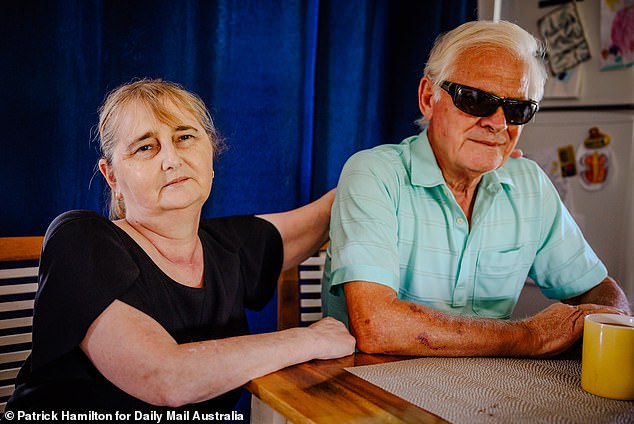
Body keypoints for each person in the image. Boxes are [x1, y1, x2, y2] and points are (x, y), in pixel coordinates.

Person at [7, 79, 355, 413]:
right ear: (112, 176)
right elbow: (165, 377)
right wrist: (310, 339)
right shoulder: (79, 239)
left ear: (211, 153)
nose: (171, 159)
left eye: (185, 137)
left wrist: (381, 170)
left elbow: (332, 208)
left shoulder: (229, 246)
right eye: (145, 146)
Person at [322, 20, 631, 358]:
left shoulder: (529, 185)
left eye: (517, 109)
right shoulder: (374, 173)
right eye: (475, 100)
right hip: (366, 395)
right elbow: (376, 326)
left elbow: (598, 290)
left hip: (485, 396)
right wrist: (528, 336)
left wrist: (611, 322)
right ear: (428, 97)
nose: (498, 123)